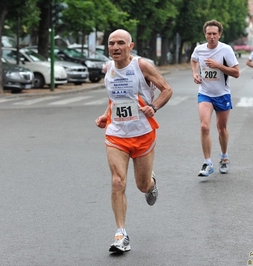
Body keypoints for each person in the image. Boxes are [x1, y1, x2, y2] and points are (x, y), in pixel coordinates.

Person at [95, 29, 173, 253]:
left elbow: (167, 89)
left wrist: (154, 106)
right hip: (116, 135)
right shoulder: (108, 69)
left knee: (141, 185)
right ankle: (121, 234)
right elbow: (115, 99)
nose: (115, 47)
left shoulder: (142, 66)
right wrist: (105, 115)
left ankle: (151, 183)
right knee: (117, 181)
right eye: (111, 43)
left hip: (142, 134)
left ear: (131, 46)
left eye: (121, 43)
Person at [190, 20, 239, 178]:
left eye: (214, 34)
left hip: (222, 94)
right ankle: (207, 163)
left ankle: (224, 157)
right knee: (204, 127)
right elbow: (193, 60)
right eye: (209, 34)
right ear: (205, 34)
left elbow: (236, 73)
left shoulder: (226, 50)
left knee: (221, 128)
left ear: (219, 35)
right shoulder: (199, 49)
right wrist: (195, 73)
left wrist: (219, 66)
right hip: (205, 93)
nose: (211, 37)